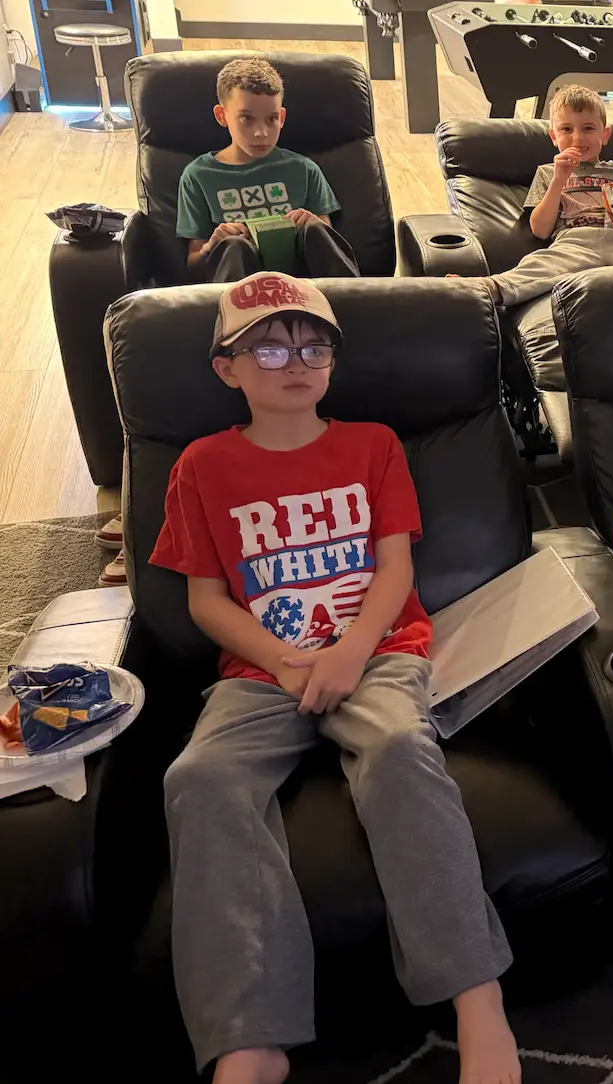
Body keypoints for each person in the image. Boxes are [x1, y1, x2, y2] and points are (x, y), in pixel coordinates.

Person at [148, 272, 521, 1084]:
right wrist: (285, 660)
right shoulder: (202, 466)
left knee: (397, 750)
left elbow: (394, 567)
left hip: (379, 652)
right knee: (200, 778)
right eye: (270, 346)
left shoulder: (372, 445)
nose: (296, 360)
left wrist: (352, 649)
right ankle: (250, 1036)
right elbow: (206, 601)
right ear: (227, 368)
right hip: (260, 669)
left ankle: (474, 995)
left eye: (314, 345)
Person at [461, 84, 613, 307]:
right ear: (554, 136)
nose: (578, 138)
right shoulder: (548, 172)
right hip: (575, 241)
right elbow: (540, 230)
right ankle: (486, 288)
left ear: (605, 135)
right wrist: (559, 179)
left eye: (588, 128)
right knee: (540, 266)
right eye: (566, 129)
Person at [177, 57, 360, 284]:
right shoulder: (198, 176)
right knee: (233, 245)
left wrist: (312, 221)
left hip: (305, 289)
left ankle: (355, 307)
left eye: (271, 119)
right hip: (242, 295)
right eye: (247, 118)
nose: (261, 133)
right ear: (221, 116)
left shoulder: (303, 169)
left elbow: (328, 244)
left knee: (314, 229)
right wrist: (211, 246)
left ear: (281, 118)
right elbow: (193, 267)